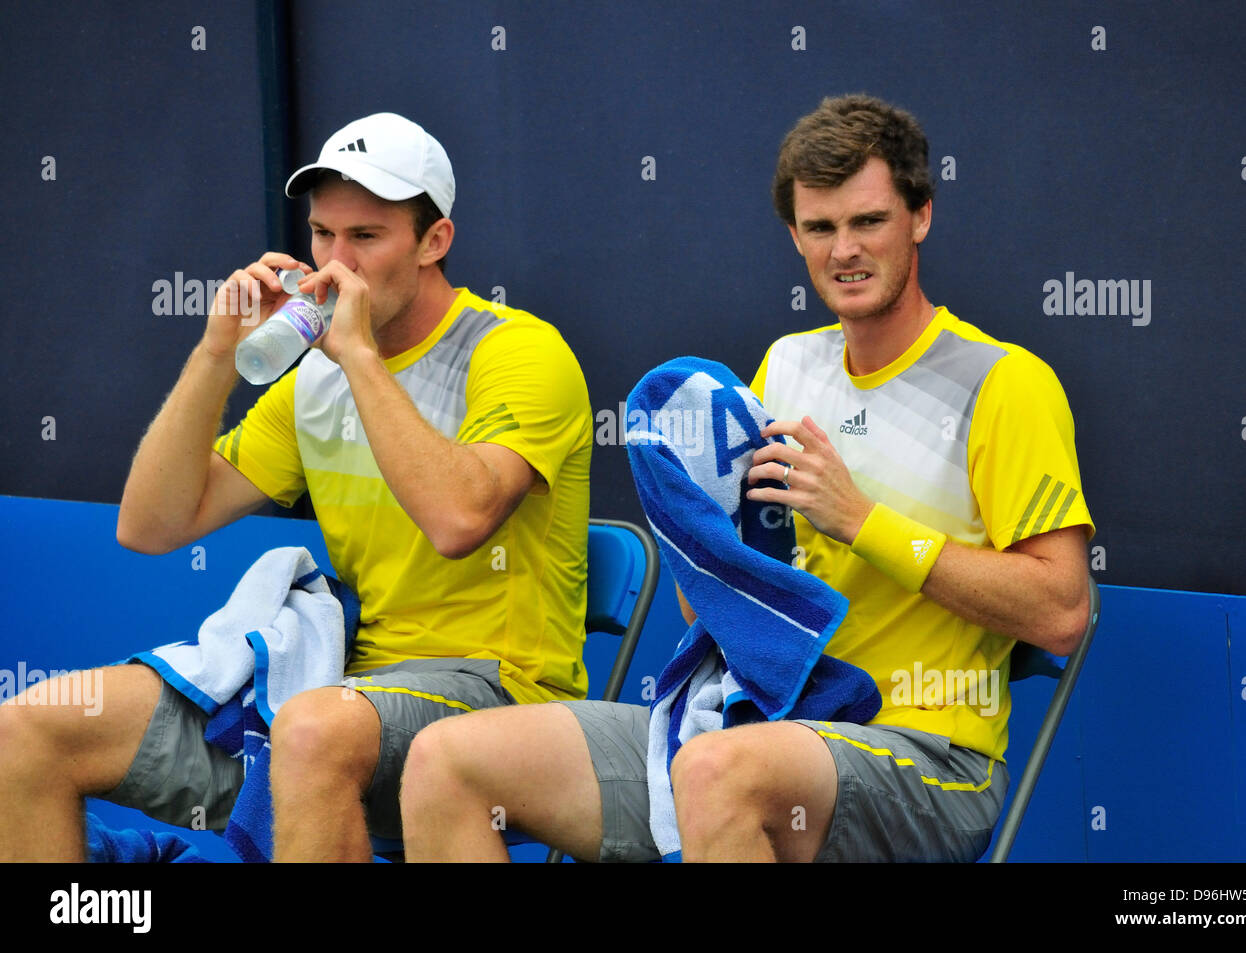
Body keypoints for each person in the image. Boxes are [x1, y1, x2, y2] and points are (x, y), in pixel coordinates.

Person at [397, 94, 1094, 863]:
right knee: (443, 760)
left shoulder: (1003, 381)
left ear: (920, 216)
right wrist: (701, 535)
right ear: (795, 236)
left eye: (869, 221)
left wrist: (862, 520)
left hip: (929, 756)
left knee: (717, 773)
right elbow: (711, 601)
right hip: (748, 727)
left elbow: (1062, 611)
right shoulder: (785, 364)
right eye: (821, 228)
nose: (845, 250)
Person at [0, 112, 593, 862]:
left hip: (501, 693)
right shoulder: (317, 379)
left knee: (314, 726)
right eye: (322, 235)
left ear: (434, 242)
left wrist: (360, 357)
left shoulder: (518, 352)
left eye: (366, 238)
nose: (334, 264)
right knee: (31, 727)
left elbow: (458, 518)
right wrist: (218, 352)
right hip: (339, 691)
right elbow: (149, 526)